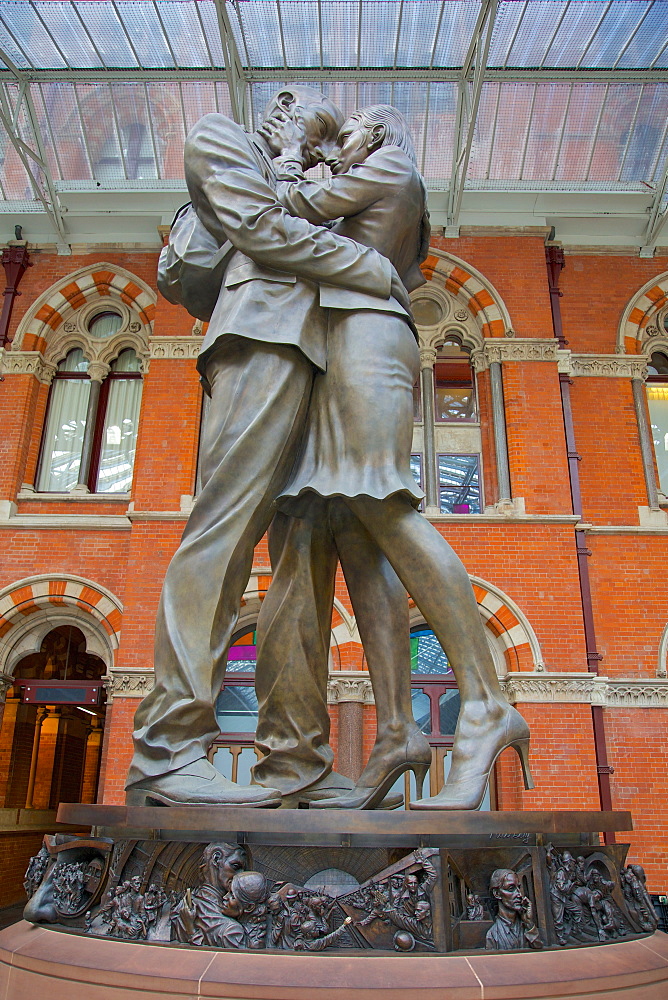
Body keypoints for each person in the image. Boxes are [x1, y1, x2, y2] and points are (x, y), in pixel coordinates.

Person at [125, 87, 412, 808]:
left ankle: (295, 762)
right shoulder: (222, 139)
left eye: (328, 145)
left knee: (305, 564)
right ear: (283, 106)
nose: (323, 147)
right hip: (260, 339)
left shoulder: (313, 178)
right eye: (318, 129)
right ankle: (167, 748)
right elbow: (258, 227)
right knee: (223, 527)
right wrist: (368, 271)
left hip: (322, 357)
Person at [253, 105, 532, 810]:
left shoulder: (388, 165)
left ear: (375, 135)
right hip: (350, 340)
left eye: (346, 138)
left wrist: (292, 151)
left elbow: (287, 209)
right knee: (354, 526)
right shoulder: (384, 186)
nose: (338, 149)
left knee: (381, 502)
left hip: (368, 339)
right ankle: (399, 732)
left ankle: (485, 704)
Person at [485, 869, 542, 951]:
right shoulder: (492, 935)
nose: (519, 894)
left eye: (518, 888)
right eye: (511, 889)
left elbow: (538, 948)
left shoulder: (525, 926)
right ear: (497, 893)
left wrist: (529, 922)